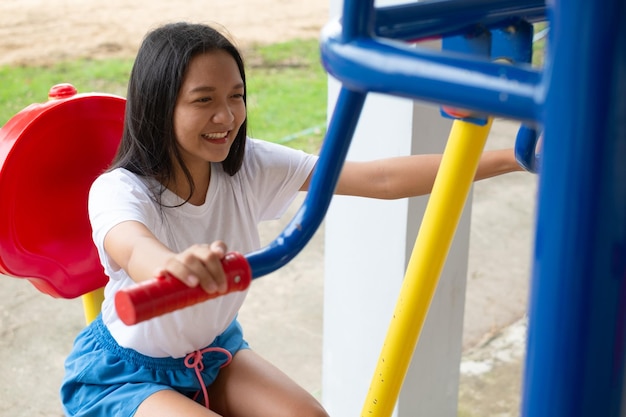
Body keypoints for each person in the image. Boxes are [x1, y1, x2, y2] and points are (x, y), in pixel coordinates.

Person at [60, 21, 524, 417]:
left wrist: (513, 158)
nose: (227, 116)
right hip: (127, 373)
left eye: (236, 96)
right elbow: (135, 247)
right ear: (160, 107)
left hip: (213, 353)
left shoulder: (246, 167)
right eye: (203, 101)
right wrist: (174, 268)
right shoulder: (121, 189)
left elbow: (379, 178)